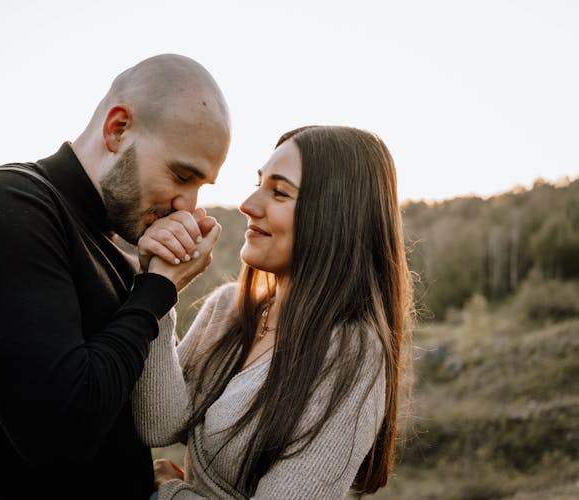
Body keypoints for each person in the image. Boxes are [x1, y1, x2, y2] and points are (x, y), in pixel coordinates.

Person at [0, 54, 230, 499]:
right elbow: (59, 433)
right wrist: (155, 291)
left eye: (201, 187)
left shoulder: (117, 254)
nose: (186, 203)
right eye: (182, 175)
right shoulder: (2, 207)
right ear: (118, 128)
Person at [133, 125, 413, 499]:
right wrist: (159, 289)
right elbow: (158, 423)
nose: (249, 204)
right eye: (259, 183)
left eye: (279, 192)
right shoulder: (228, 308)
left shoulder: (351, 353)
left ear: (334, 217)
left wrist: (170, 494)